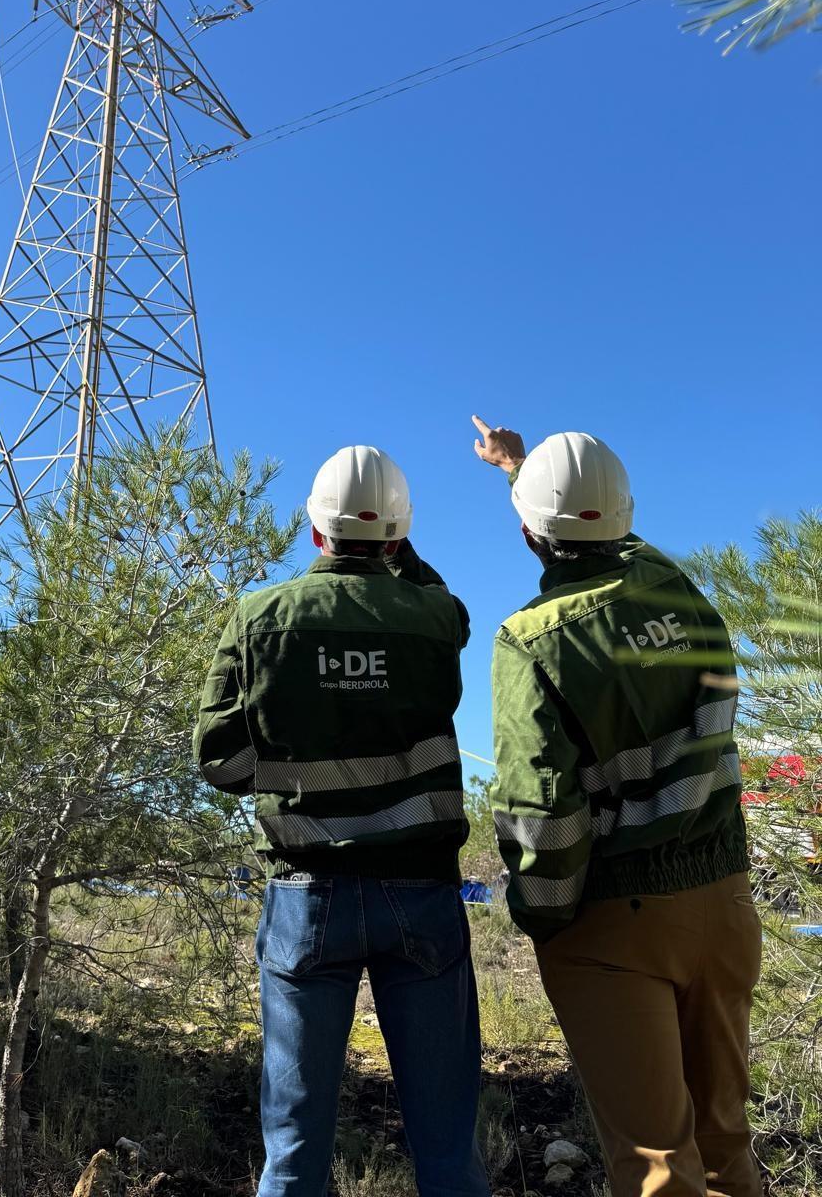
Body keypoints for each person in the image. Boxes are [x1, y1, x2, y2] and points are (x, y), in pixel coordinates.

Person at [472, 416, 761, 1197]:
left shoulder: (531, 642)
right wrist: (522, 467)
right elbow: (612, 536)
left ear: (529, 531)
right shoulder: (680, 591)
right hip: (726, 902)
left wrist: (547, 918)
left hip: (616, 924)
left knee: (658, 1168)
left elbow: (541, 812)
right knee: (726, 1143)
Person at [195, 446, 489, 1197]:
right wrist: (398, 550)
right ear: (397, 538)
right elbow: (444, 605)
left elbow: (220, 766)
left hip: (307, 898)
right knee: (449, 1146)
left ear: (314, 530)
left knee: (293, 1151)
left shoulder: (259, 619)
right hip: (421, 897)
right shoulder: (432, 615)